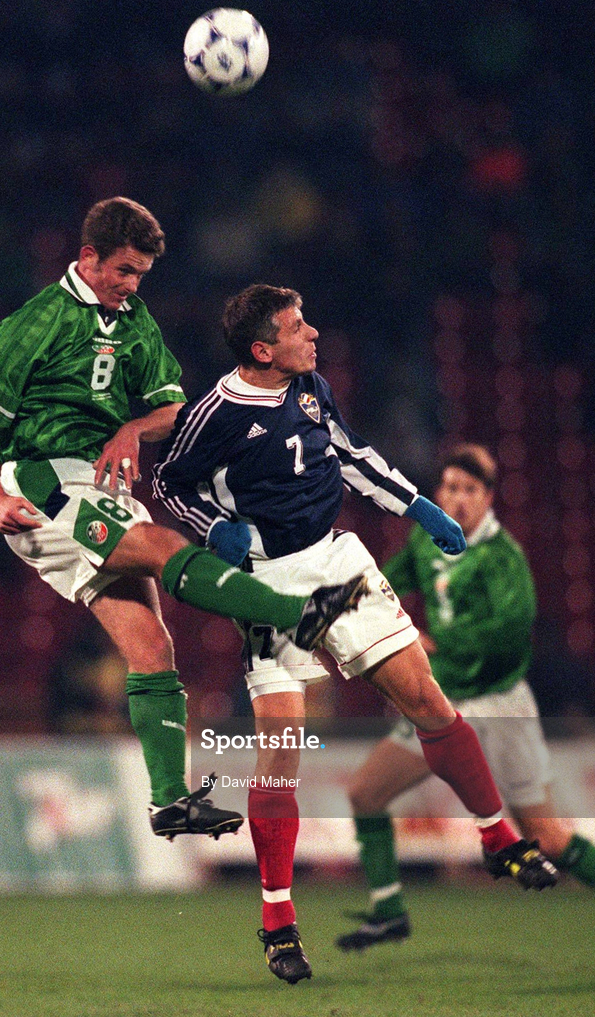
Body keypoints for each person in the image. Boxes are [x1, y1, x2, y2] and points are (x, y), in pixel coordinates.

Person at [153, 285, 557, 985]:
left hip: (339, 562)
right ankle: (278, 922)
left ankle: (496, 837)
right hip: (266, 580)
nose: (311, 333)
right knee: (280, 748)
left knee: (427, 703)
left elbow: (351, 454)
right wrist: (213, 529)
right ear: (261, 349)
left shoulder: (311, 385)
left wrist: (418, 505)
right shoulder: (212, 415)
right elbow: (169, 482)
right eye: (295, 326)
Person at [0, 200, 365, 843]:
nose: (132, 284)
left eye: (142, 274)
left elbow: (172, 409)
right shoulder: (37, 320)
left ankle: (169, 802)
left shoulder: (135, 320)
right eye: (123, 270)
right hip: (41, 481)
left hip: (99, 484)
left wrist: (128, 429)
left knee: (152, 648)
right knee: (157, 545)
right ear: (88, 256)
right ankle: (299, 611)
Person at [336, 443, 595, 951]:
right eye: (450, 487)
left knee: (549, 839)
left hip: (499, 705)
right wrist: (346, 597)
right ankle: (388, 910)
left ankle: (396, 906)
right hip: (447, 702)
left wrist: (433, 644)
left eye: (469, 490)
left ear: (489, 499)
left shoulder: (504, 560)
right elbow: (388, 576)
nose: (457, 499)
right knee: (365, 792)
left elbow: (509, 637)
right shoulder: (428, 539)